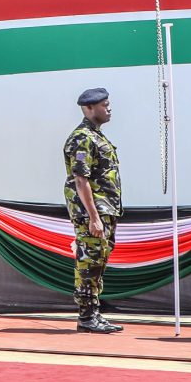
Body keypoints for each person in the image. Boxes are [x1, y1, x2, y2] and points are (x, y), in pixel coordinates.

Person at [63, 87, 123, 335]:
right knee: (89, 263)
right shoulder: (83, 138)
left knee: (98, 262)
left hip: (104, 210)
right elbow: (81, 180)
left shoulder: (96, 136)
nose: (109, 109)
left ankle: (93, 314)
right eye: (104, 105)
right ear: (89, 108)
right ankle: (86, 316)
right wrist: (94, 218)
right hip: (92, 213)